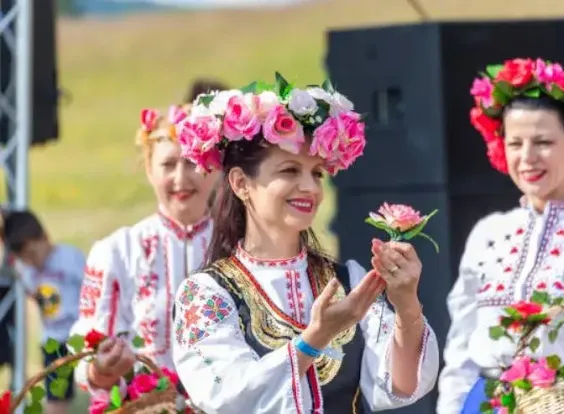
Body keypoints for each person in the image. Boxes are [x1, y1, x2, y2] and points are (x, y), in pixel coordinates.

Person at [171, 77, 440, 413]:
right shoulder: (207, 294)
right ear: (241, 183)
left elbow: (401, 386)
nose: (309, 187)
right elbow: (228, 397)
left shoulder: (348, 281)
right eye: (290, 170)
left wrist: (407, 305)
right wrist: (315, 338)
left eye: (316, 174)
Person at [437, 58, 564, 413]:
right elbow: (461, 349)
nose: (527, 158)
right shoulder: (487, 233)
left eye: (543, 142)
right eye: (514, 143)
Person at [69, 104, 221, 394]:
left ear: (214, 169)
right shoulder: (117, 251)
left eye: (192, 162)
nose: (180, 178)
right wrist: (102, 369)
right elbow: (87, 352)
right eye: (168, 165)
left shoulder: (241, 247)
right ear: (149, 170)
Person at [3, 209, 85, 414]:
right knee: (56, 398)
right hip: (52, 341)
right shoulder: (25, 268)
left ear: (45, 237)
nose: (32, 261)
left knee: (101, 387)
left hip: (79, 335)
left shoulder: (70, 257)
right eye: (25, 258)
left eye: (33, 254)